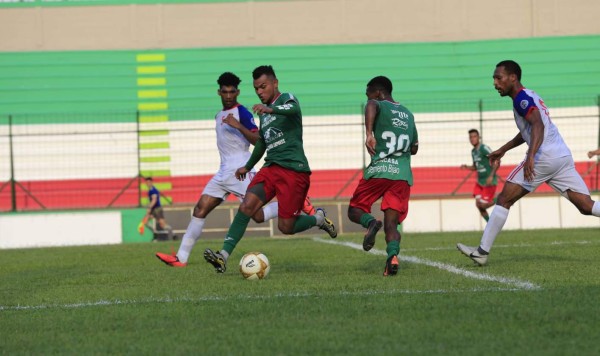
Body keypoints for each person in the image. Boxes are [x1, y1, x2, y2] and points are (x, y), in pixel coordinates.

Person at [155, 72, 317, 267]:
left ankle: (296, 203)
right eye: (225, 92)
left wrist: (239, 127)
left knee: (256, 214)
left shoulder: (244, 113)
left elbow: (259, 140)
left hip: (241, 170)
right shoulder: (218, 115)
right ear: (219, 93)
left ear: (237, 92)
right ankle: (181, 258)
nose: (229, 96)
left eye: (232, 92)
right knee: (200, 209)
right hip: (224, 172)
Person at [457, 60, 600, 266]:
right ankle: (481, 251)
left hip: (544, 156)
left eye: (499, 78)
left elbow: (538, 125)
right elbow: (528, 130)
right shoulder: (529, 95)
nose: (495, 83)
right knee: (586, 206)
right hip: (561, 155)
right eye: (494, 79)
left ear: (512, 77)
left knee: (504, 199)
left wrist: (531, 156)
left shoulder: (521, 98)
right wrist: (503, 149)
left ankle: (481, 252)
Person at [203, 65, 337, 273]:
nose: (259, 91)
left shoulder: (286, 99)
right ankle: (223, 256)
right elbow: (262, 143)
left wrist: (271, 109)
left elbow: (293, 109)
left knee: (286, 227)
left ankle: (318, 219)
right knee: (247, 206)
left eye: (263, 86)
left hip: (294, 171)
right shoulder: (264, 115)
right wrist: (246, 167)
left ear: (275, 83)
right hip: (271, 168)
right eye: (256, 88)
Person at [347, 76, 419, 276]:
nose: (368, 97)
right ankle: (392, 257)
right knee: (392, 223)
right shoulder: (408, 114)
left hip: (380, 170)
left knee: (354, 210)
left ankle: (370, 223)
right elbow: (414, 148)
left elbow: (371, 104)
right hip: (402, 175)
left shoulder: (376, 103)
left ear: (378, 93)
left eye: (368, 93)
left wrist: (370, 133)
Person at [460, 129, 499, 222]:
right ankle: (490, 225)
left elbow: (496, 161)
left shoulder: (484, 148)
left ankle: (500, 199)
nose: (472, 139)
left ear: (479, 137)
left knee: (484, 205)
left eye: (474, 136)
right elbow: (475, 166)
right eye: (471, 137)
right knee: (478, 205)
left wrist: (491, 176)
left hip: (489, 181)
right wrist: (466, 167)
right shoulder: (473, 151)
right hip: (480, 182)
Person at [141, 176, 174, 241]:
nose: (148, 184)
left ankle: (173, 234)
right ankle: (155, 233)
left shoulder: (153, 190)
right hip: (153, 209)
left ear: (151, 182)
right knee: (145, 221)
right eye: (146, 182)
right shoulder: (150, 190)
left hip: (157, 209)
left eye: (149, 182)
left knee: (163, 225)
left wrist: (149, 208)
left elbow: (154, 200)